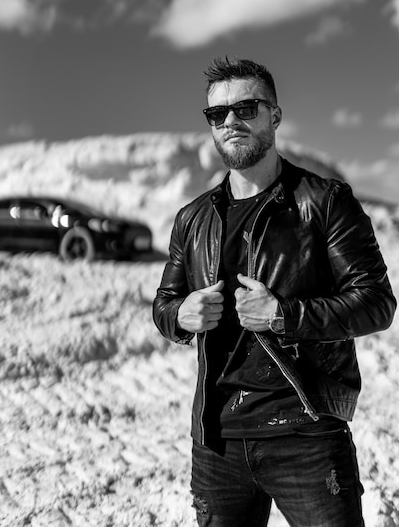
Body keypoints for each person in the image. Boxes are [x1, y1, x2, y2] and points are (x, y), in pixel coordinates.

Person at [153, 56, 396, 527]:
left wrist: (283, 314)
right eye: (217, 114)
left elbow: (376, 302)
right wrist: (180, 315)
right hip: (217, 444)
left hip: (305, 436)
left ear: (275, 116)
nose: (230, 122)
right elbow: (164, 305)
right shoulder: (193, 219)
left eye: (246, 108)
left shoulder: (324, 201)